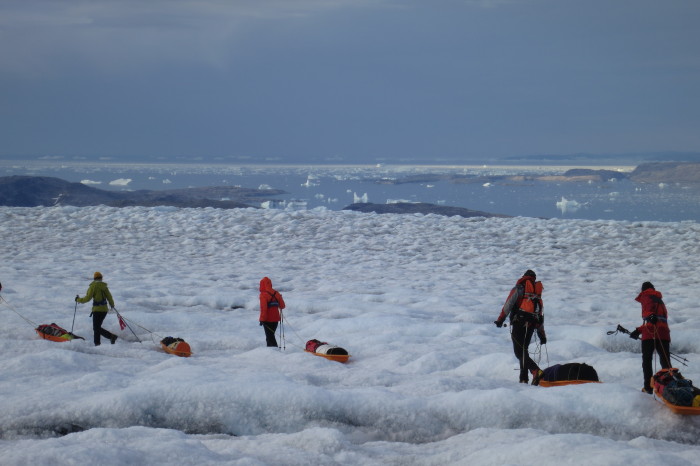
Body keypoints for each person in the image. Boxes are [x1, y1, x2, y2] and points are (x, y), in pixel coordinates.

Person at [494, 270, 546, 385]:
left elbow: (508, 304)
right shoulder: (536, 295)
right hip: (532, 325)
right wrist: (542, 335)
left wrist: (500, 319)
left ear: (524, 277)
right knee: (524, 351)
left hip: (519, 323)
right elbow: (539, 314)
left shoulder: (519, 288)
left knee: (519, 352)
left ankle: (535, 371)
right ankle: (524, 380)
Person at [630, 281, 671, 394]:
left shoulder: (646, 295)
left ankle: (648, 388)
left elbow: (649, 313)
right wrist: (638, 330)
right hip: (664, 334)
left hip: (650, 335)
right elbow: (655, 320)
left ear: (644, 289)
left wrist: (649, 315)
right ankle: (669, 387)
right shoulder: (659, 300)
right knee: (665, 362)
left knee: (647, 361)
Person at [76, 272, 118, 346]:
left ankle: (102, 341)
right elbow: (109, 297)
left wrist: (78, 300)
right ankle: (106, 339)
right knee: (97, 328)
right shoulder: (104, 286)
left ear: (94, 278)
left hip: (97, 310)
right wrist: (112, 305)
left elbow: (87, 298)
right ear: (101, 278)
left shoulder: (93, 286)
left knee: (96, 328)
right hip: (104, 310)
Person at [259, 277, 286, 347]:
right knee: (271, 336)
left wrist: (262, 319)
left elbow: (263, 309)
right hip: (276, 319)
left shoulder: (263, 295)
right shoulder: (276, 293)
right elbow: (282, 306)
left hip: (267, 320)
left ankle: (274, 353)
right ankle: (273, 352)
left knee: (269, 338)